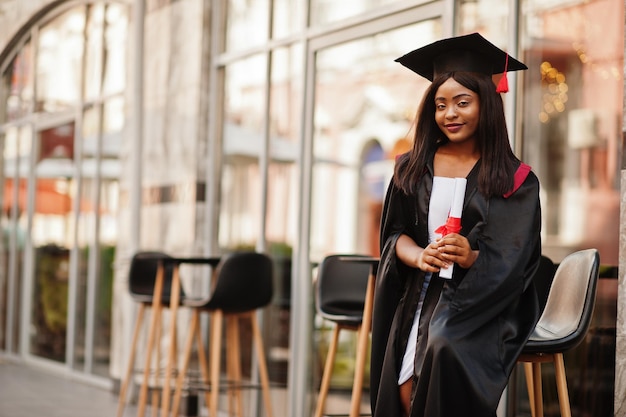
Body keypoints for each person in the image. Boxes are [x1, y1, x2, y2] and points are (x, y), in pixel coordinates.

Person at [369, 33, 542, 417]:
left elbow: (515, 259)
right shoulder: (409, 168)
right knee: (404, 385)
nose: (450, 114)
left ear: (487, 104)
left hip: (482, 301)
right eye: (441, 104)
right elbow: (394, 237)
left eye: (462, 102)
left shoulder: (515, 179)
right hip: (417, 291)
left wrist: (469, 255)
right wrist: (419, 256)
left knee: (443, 346)